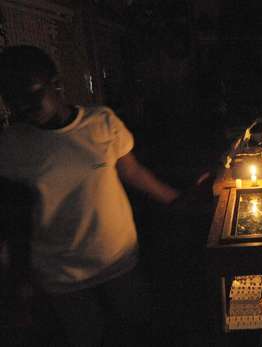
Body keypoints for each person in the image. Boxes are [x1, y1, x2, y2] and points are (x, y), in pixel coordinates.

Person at [0, 45, 182, 346]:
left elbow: (134, 173)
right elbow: (10, 210)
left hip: (117, 257)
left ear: (56, 84)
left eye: (31, 95)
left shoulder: (101, 123)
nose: (23, 108)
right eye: (13, 100)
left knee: (140, 329)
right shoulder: (11, 144)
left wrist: (179, 199)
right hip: (61, 272)